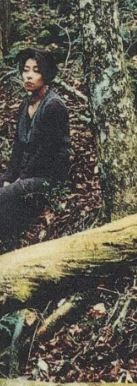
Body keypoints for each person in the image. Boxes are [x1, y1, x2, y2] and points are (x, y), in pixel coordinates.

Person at [0, 48, 71, 245]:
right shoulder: (26, 104)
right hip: (27, 173)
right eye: (26, 70)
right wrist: (8, 177)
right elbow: (18, 146)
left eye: (36, 71)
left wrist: (18, 180)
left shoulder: (53, 106)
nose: (29, 76)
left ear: (45, 74)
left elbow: (45, 153)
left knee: (4, 197)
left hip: (48, 177)